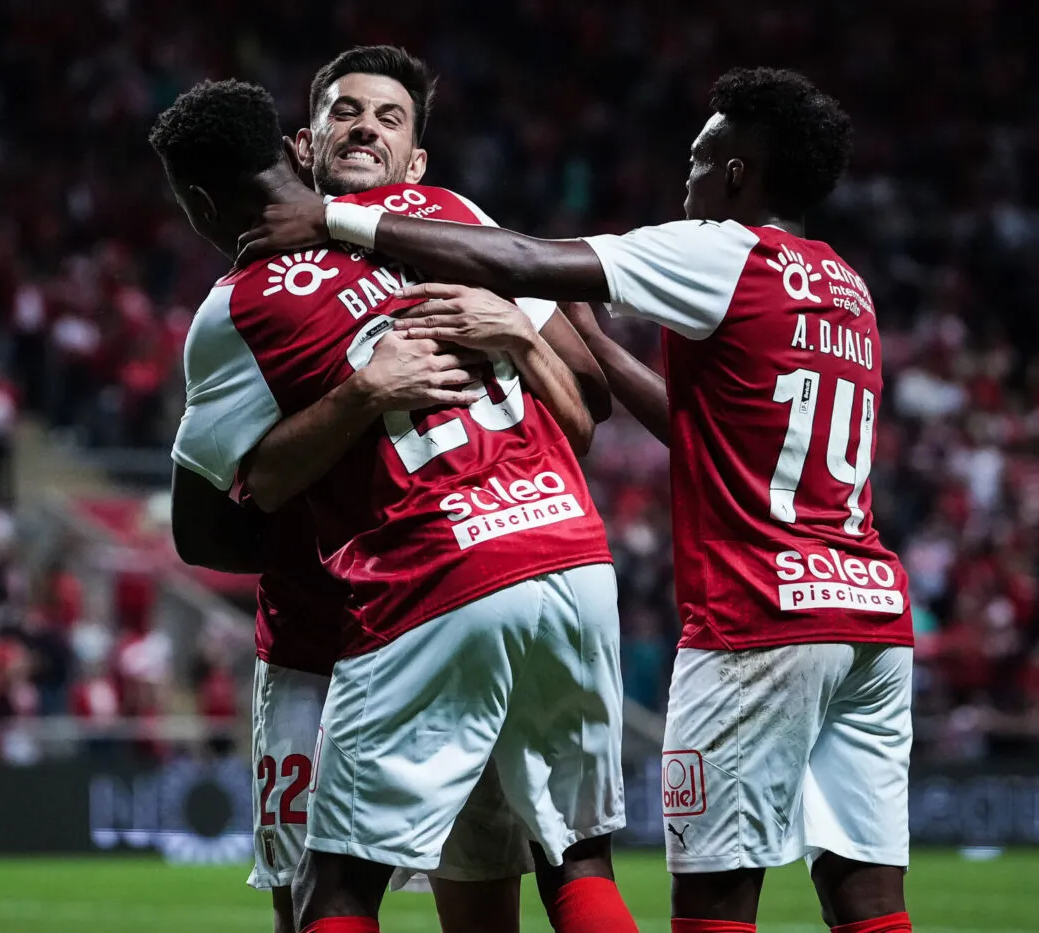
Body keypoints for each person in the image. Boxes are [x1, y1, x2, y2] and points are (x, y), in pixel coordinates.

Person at [244, 66, 914, 933]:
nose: (687, 178)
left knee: (713, 895)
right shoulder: (846, 287)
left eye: (702, 158)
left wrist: (330, 215)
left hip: (760, 616)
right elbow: (705, 426)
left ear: (739, 174)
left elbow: (524, 260)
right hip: (869, 613)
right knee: (864, 896)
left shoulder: (721, 248)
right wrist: (578, 337)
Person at [153, 78, 635, 933]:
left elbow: (209, 528)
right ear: (303, 144)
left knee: (332, 890)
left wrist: (330, 446)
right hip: (551, 553)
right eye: (345, 111)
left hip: (419, 589)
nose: (363, 129)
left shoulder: (241, 306)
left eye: (388, 117)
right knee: (569, 858)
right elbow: (588, 407)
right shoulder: (450, 218)